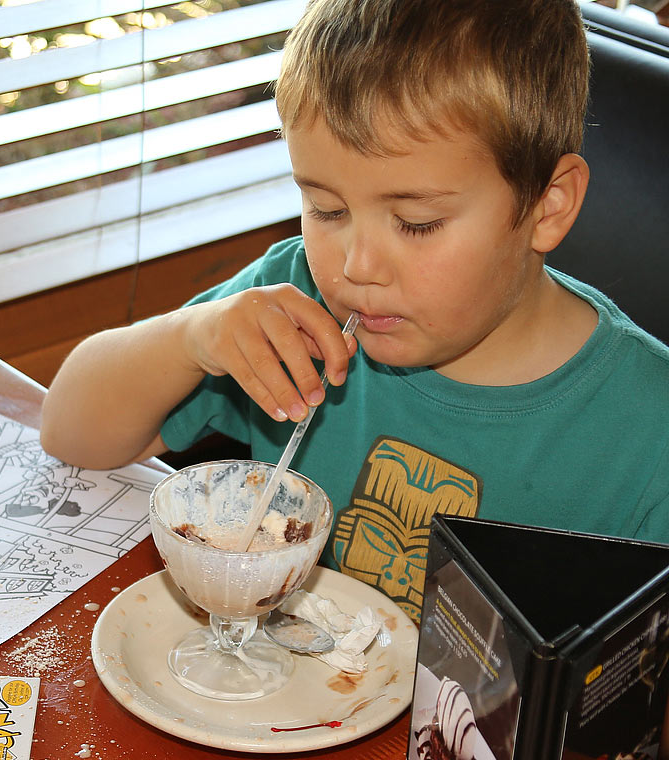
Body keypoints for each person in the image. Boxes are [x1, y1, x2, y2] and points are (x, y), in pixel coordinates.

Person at [40, 0, 669, 624]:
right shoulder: (293, 307)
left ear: (548, 206)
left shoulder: (648, 432)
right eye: (326, 210)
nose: (356, 265)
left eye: (416, 224)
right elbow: (69, 432)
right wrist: (191, 338)